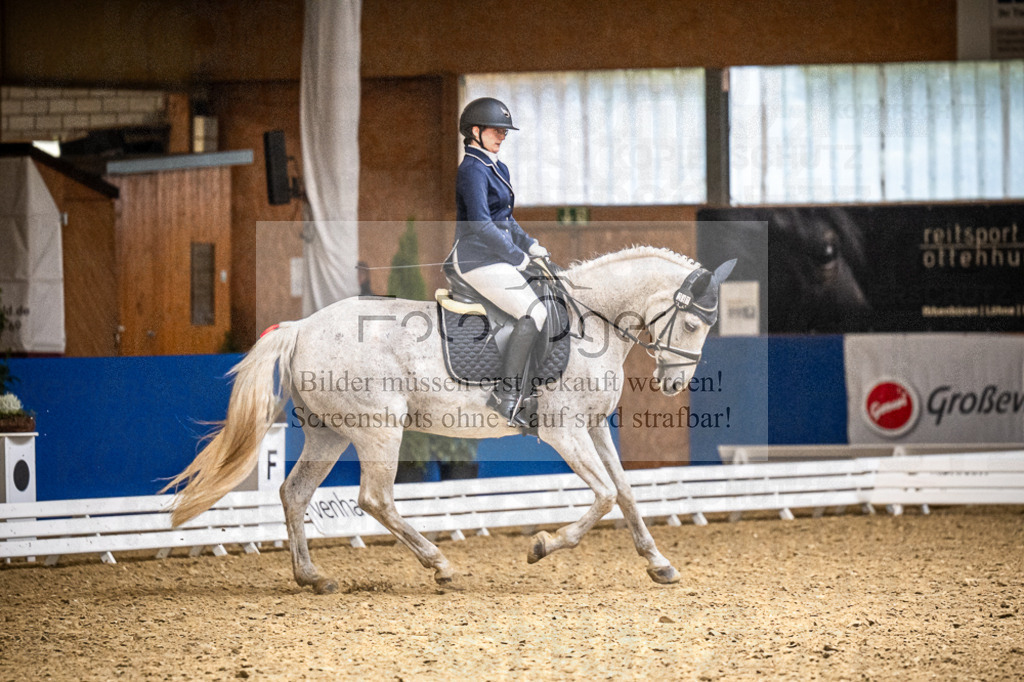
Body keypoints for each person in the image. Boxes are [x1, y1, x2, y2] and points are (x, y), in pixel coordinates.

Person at [451, 97, 550, 427]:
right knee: (534, 312)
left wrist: (530, 244)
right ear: (475, 132)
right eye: (496, 130)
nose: (502, 135)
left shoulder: (497, 167)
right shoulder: (471, 170)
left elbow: (506, 219)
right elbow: (480, 223)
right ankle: (507, 396)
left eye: (505, 131)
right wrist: (516, 256)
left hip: (499, 257)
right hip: (477, 259)